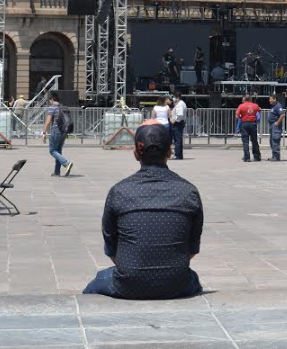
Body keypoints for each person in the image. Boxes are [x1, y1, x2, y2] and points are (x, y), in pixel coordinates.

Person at [83, 120, 203, 300]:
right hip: (177, 283)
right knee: (193, 278)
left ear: (136, 154)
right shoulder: (189, 192)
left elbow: (111, 248)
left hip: (128, 282)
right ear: (169, 151)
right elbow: (192, 247)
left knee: (94, 285)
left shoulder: (119, 192)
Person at [43, 91, 74, 177]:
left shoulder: (52, 108)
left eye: (49, 100)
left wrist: (44, 133)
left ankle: (66, 163)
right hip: (64, 131)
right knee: (58, 151)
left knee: (52, 150)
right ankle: (57, 172)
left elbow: (48, 122)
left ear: (52, 99)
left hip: (56, 130)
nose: (49, 102)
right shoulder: (64, 107)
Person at [236, 94, 261, 162]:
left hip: (244, 124)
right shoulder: (255, 105)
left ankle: (247, 157)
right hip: (253, 124)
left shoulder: (241, 106)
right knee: (254, 141)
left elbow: (237, 116)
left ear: (245, 99)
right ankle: (256, 157)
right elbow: (259, 110)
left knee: (245, 141)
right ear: (250, 99)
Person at [171, 92, 187, 160]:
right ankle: (179, 155)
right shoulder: (180, 103)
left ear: (177, 97)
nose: (173, 99)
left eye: (174, 97)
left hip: (178, 123)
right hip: (179, 122)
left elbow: (180, 115)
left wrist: (175, 121)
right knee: (178, 139)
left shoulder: (180, 104)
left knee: (177, 139)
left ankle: (178, 155)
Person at [268, 94, 284, 161]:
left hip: (275, 126)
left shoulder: (278, 106)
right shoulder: (273, 106)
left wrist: (277, 123)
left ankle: (276, 156)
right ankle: (274, 156)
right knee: (272, 141)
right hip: (272, 125)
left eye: (270, 99)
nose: (269, 100)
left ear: (274, 99)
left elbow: (282, 115)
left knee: (275, 140)